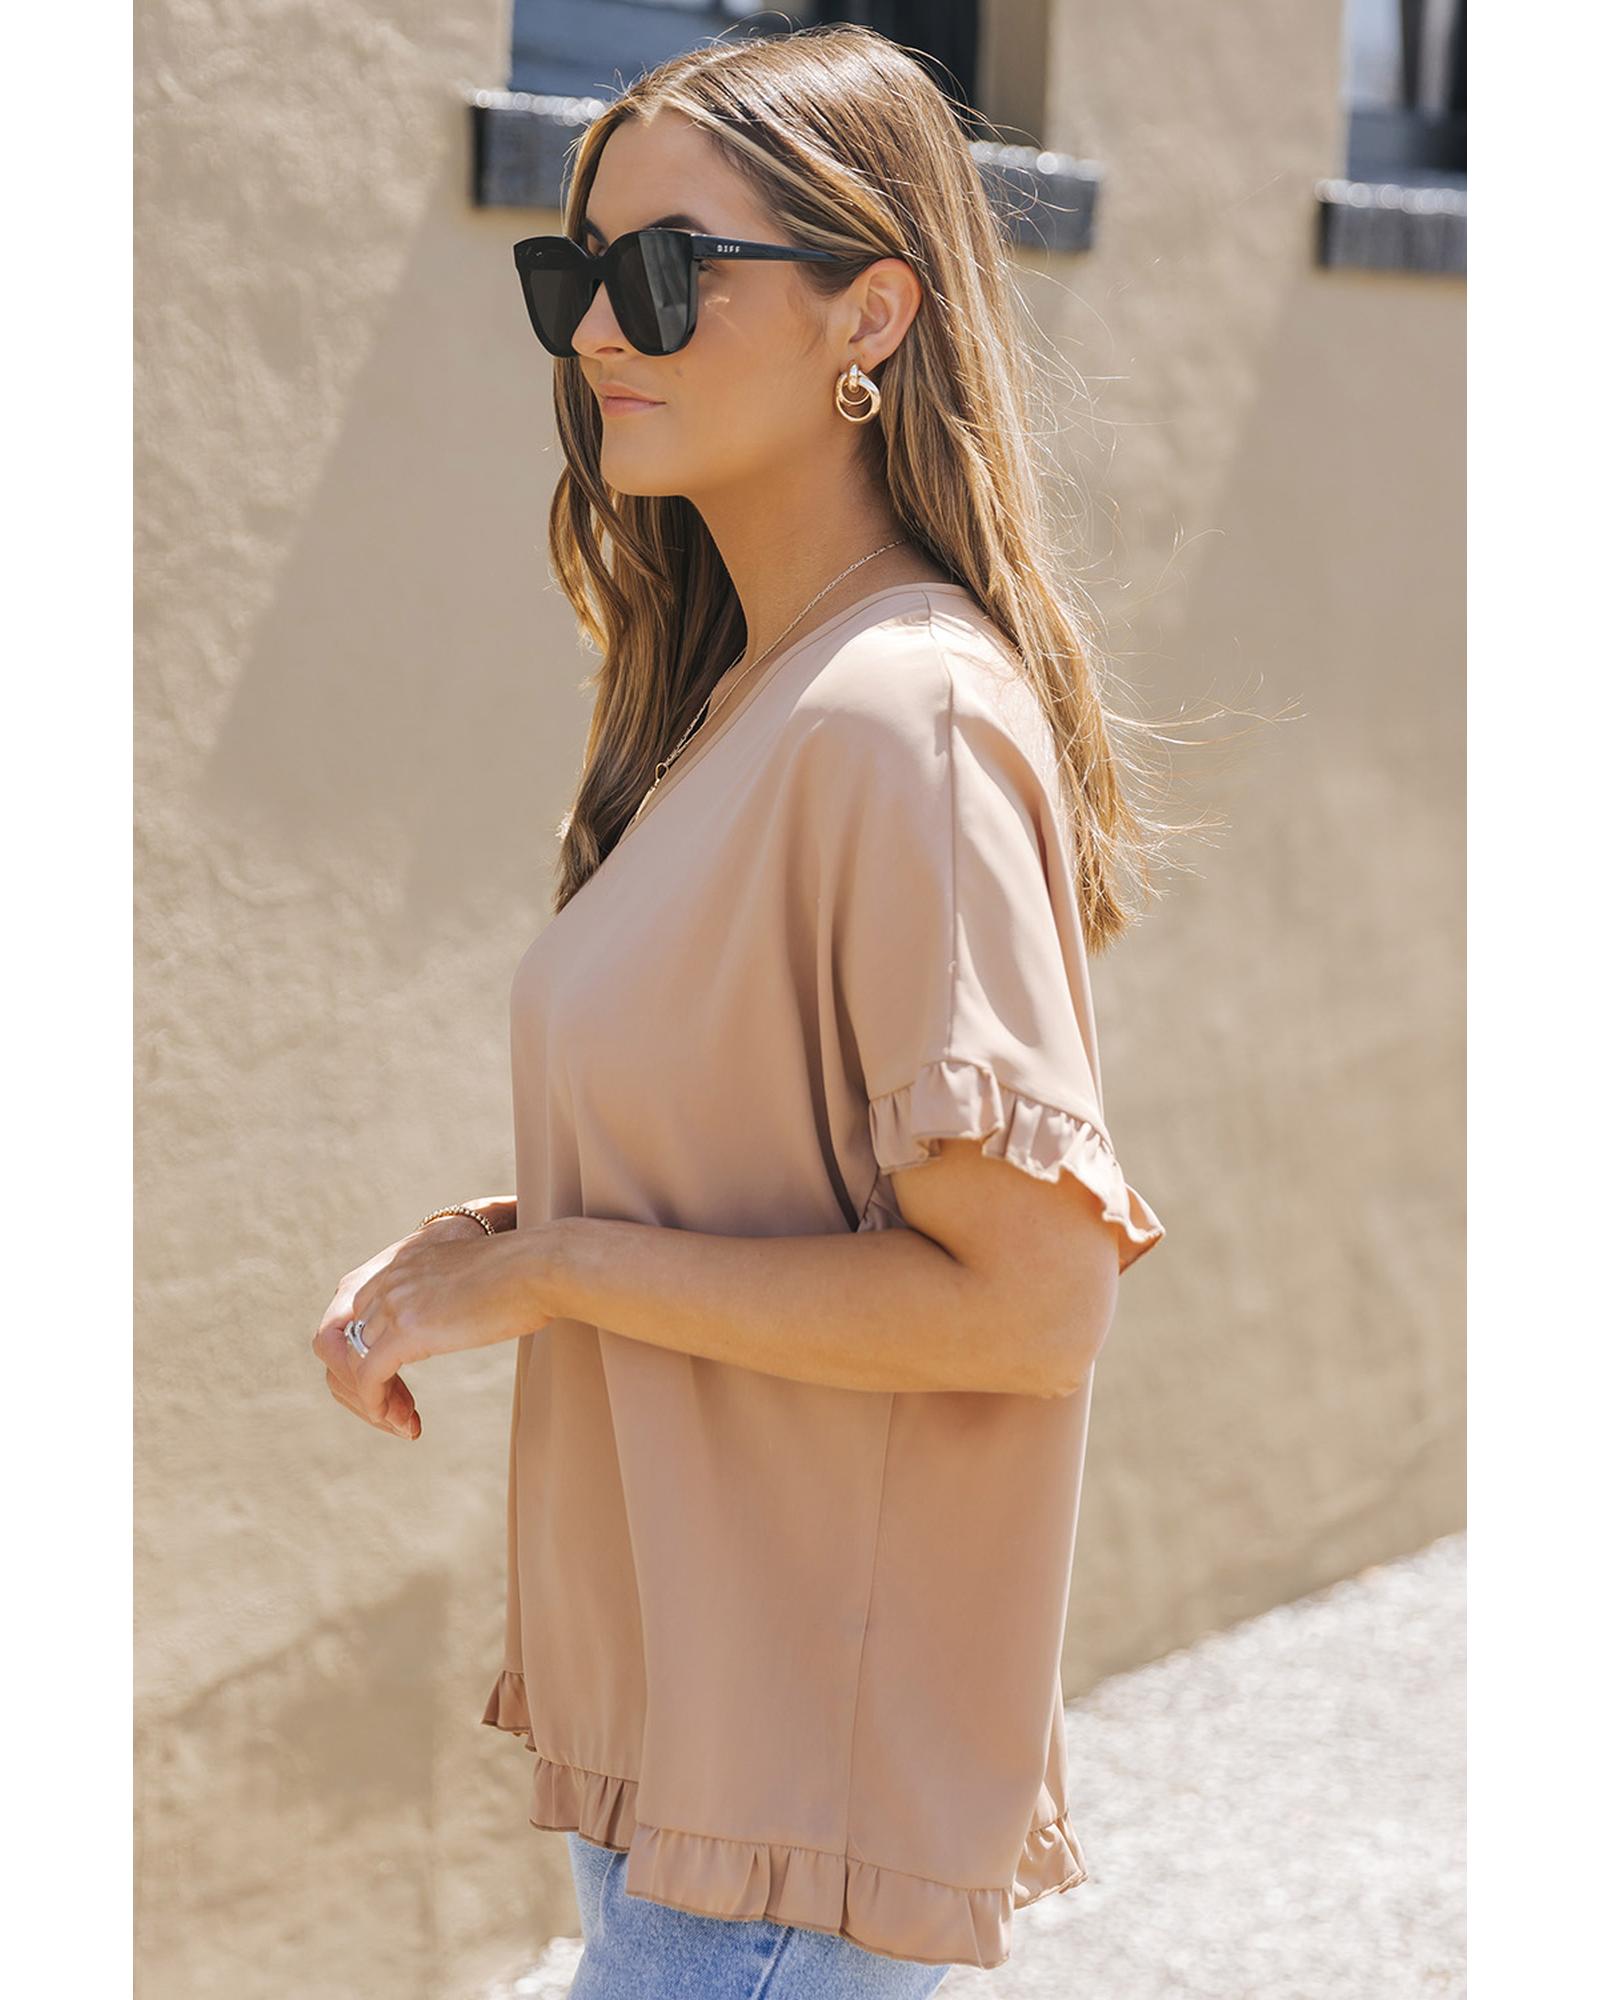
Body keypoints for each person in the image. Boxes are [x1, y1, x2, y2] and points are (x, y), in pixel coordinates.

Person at [312, 22, 1169, 1996]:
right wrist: (496, 1243)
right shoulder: (753, 697)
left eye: (666, 270)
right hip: (700, 1785)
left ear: (873, 309)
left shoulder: (902, 714)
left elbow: (1029, 1306)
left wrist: (555, 1272)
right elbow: (769, 1170)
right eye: (576, 272)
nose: (601, 328)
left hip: (784, 1835)